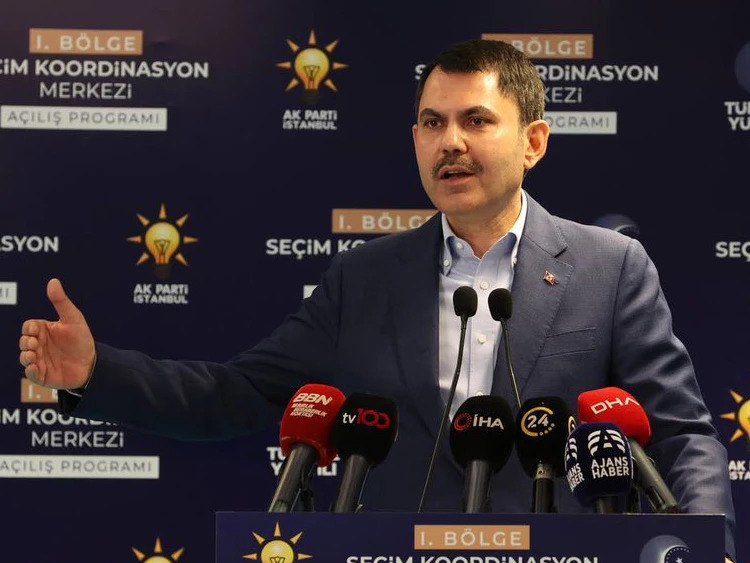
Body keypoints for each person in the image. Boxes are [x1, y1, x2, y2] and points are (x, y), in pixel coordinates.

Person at [18, 39, 736, 560]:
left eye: (476, 121)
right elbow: (236, 394)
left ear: (534, 142)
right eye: (432, 123)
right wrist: (95, 373)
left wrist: (708, 547)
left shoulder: (610, 267)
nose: (450, 142)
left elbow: (680, 433)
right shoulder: (363, 278)